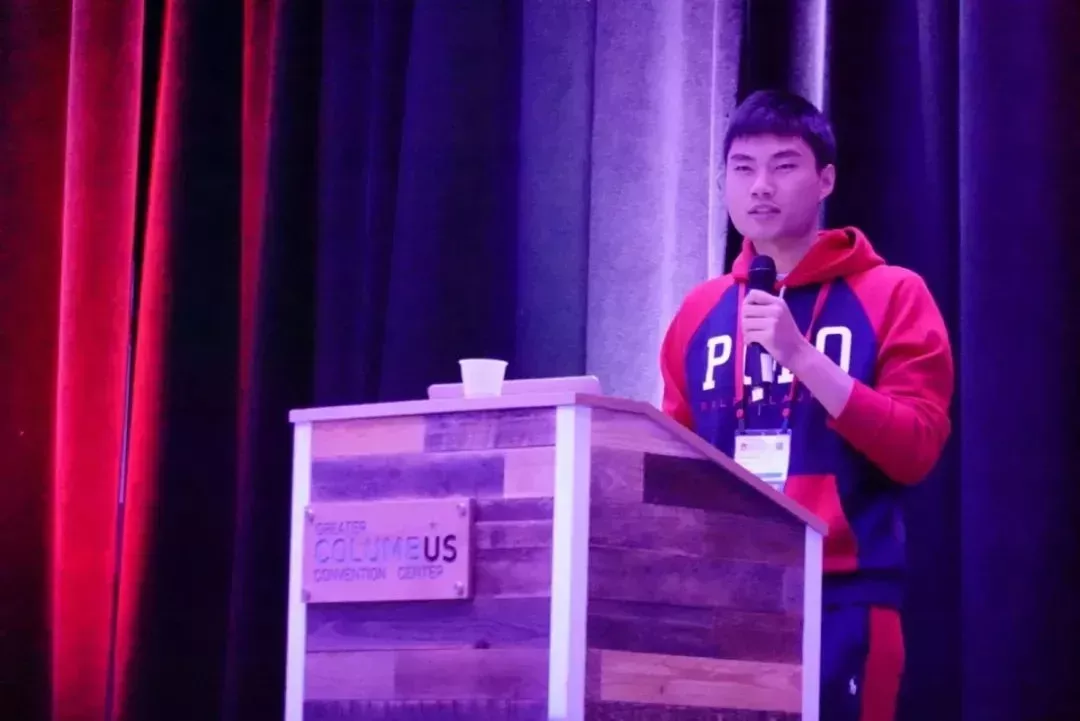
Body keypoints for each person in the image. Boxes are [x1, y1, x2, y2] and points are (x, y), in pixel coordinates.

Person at [659, 89, 954, 721]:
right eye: (743, 168)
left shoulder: (893, 293)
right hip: (722, 594)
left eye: (784, 165)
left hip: (844, 592)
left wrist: (802, 356)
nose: (760, 186)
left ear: (826, 180)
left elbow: (916, 448)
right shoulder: (700, 310)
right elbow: (672, 456)